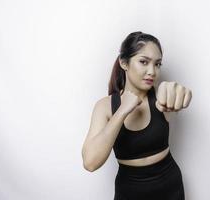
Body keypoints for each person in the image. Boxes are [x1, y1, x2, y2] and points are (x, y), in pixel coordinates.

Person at [81, 31, 192, 200]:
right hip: (130, 192)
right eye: (143, 62)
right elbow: (90, 163)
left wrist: (180, 94)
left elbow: (174, 94)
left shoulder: (161, 99)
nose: (152, 71)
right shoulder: (104, 107)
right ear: (124, 63)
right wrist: (122, 110)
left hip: (170, 187)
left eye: (157, 64)